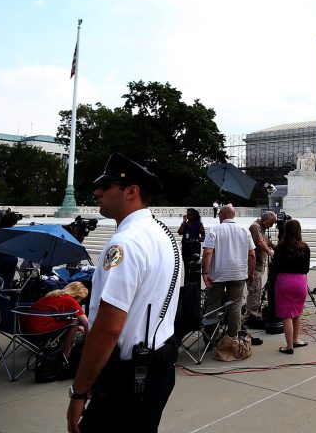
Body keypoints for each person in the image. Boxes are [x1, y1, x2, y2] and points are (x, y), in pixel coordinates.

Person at [67, 153, 180, 433]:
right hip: (157, 368)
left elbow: (108, 328)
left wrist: (79, 391)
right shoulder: (162, 235)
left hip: (128, 378)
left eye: (105, 187)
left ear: (131, 191)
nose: (97, 192)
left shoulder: (124, 243)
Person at [201, 204, 255, 338]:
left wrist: (205, 272)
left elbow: (208, 252)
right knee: (235, 306)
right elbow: (252, 254)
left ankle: (210, 338)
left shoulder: (215, 229)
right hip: (238, 273)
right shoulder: (244, 230)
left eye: (219, 214)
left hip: (217, 274)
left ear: (224, 214)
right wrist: (251, 273)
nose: (218, 216)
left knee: (213, 305)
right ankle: (233, 338)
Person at [21, 281, 89, 357]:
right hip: (37, 332)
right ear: (77, 295)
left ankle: (58, 349)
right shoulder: (70, 300)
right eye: (80, 299)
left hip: (24, 329)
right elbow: (86, 323)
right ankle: (66, 353)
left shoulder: (55, 295)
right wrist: (87, 338)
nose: (79, 302)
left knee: (71, 323)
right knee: (74, 322)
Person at [272, 219, 310, 354]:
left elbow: (275, 266)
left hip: (284, 281)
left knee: (286, 315)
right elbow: (306, 268)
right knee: (297, 312)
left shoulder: (281, 247)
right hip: (300, 282)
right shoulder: (305, 247)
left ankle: (289, 346)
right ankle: (296, 340)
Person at [244, 211, 277, 325]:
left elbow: (266, 241)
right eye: (271, 223)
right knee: (254, 291)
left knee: (257, 290)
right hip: (254, 266)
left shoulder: (261, 228)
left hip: (259, 265)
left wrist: (275, 247)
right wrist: (271, 253)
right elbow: (260, 242)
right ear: (265, 219)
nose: (272, 226)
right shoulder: (255, 227)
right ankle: (251, 316)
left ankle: (253, 314)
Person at [0, 211, 20, 288]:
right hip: (11, 257)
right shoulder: (10, 231)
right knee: (8, 281)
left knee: (0, 280)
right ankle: (7, 296)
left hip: (1, 257)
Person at [177, 208, 206, 285]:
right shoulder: (185, 224)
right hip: (186, 248)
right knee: (186, 268)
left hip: (194, 248)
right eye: (188, 214)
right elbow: (180, 232)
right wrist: (183, 222)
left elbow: (204, 237)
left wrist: (196, 240)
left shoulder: (199, 224)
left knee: (194, 267)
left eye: (190, 214)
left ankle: (194, 285)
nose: (188, 216)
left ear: (194, 215)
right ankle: (187, 285)